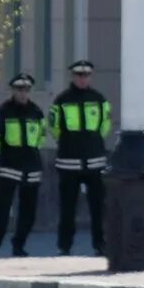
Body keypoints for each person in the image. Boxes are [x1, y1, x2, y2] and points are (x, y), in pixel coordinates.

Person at [51, 60, 111, 256]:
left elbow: (105, 125)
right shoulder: (61, 100)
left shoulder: (99, 99)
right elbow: (54, 128)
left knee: (98, 207)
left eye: (86, 75)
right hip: (68, 161)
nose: (82, 78)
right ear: (73, 76)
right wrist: (69, 143)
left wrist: (92, 142)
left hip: (94, 161)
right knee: (68, 208)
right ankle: (64, 245)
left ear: (90, 77)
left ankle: (100, 244)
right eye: (79, 75)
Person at [0, 73, 45, 258]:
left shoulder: (36, 111)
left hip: (32, 167)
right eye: (19, 89)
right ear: (13, 90)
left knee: (29, 212)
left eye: (26, 89)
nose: (23, 93)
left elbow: (41, 137)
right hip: (9, 167)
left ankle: (19, 245)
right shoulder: (4, 110)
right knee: (2, 210)